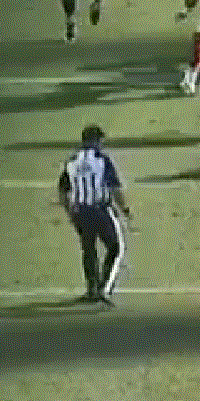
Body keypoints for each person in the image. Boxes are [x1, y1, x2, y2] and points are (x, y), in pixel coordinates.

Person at [57, 125, 131, 306]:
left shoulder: (72, 161)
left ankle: (92, 288)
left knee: (88, 249)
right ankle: (103, 289)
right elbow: (114, 189)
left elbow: (63, 191)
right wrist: (125, 209)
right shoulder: (102, 160)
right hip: (100, 210)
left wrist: (70, 211)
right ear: (97, 141)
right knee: (115, 247)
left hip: (80, 211)